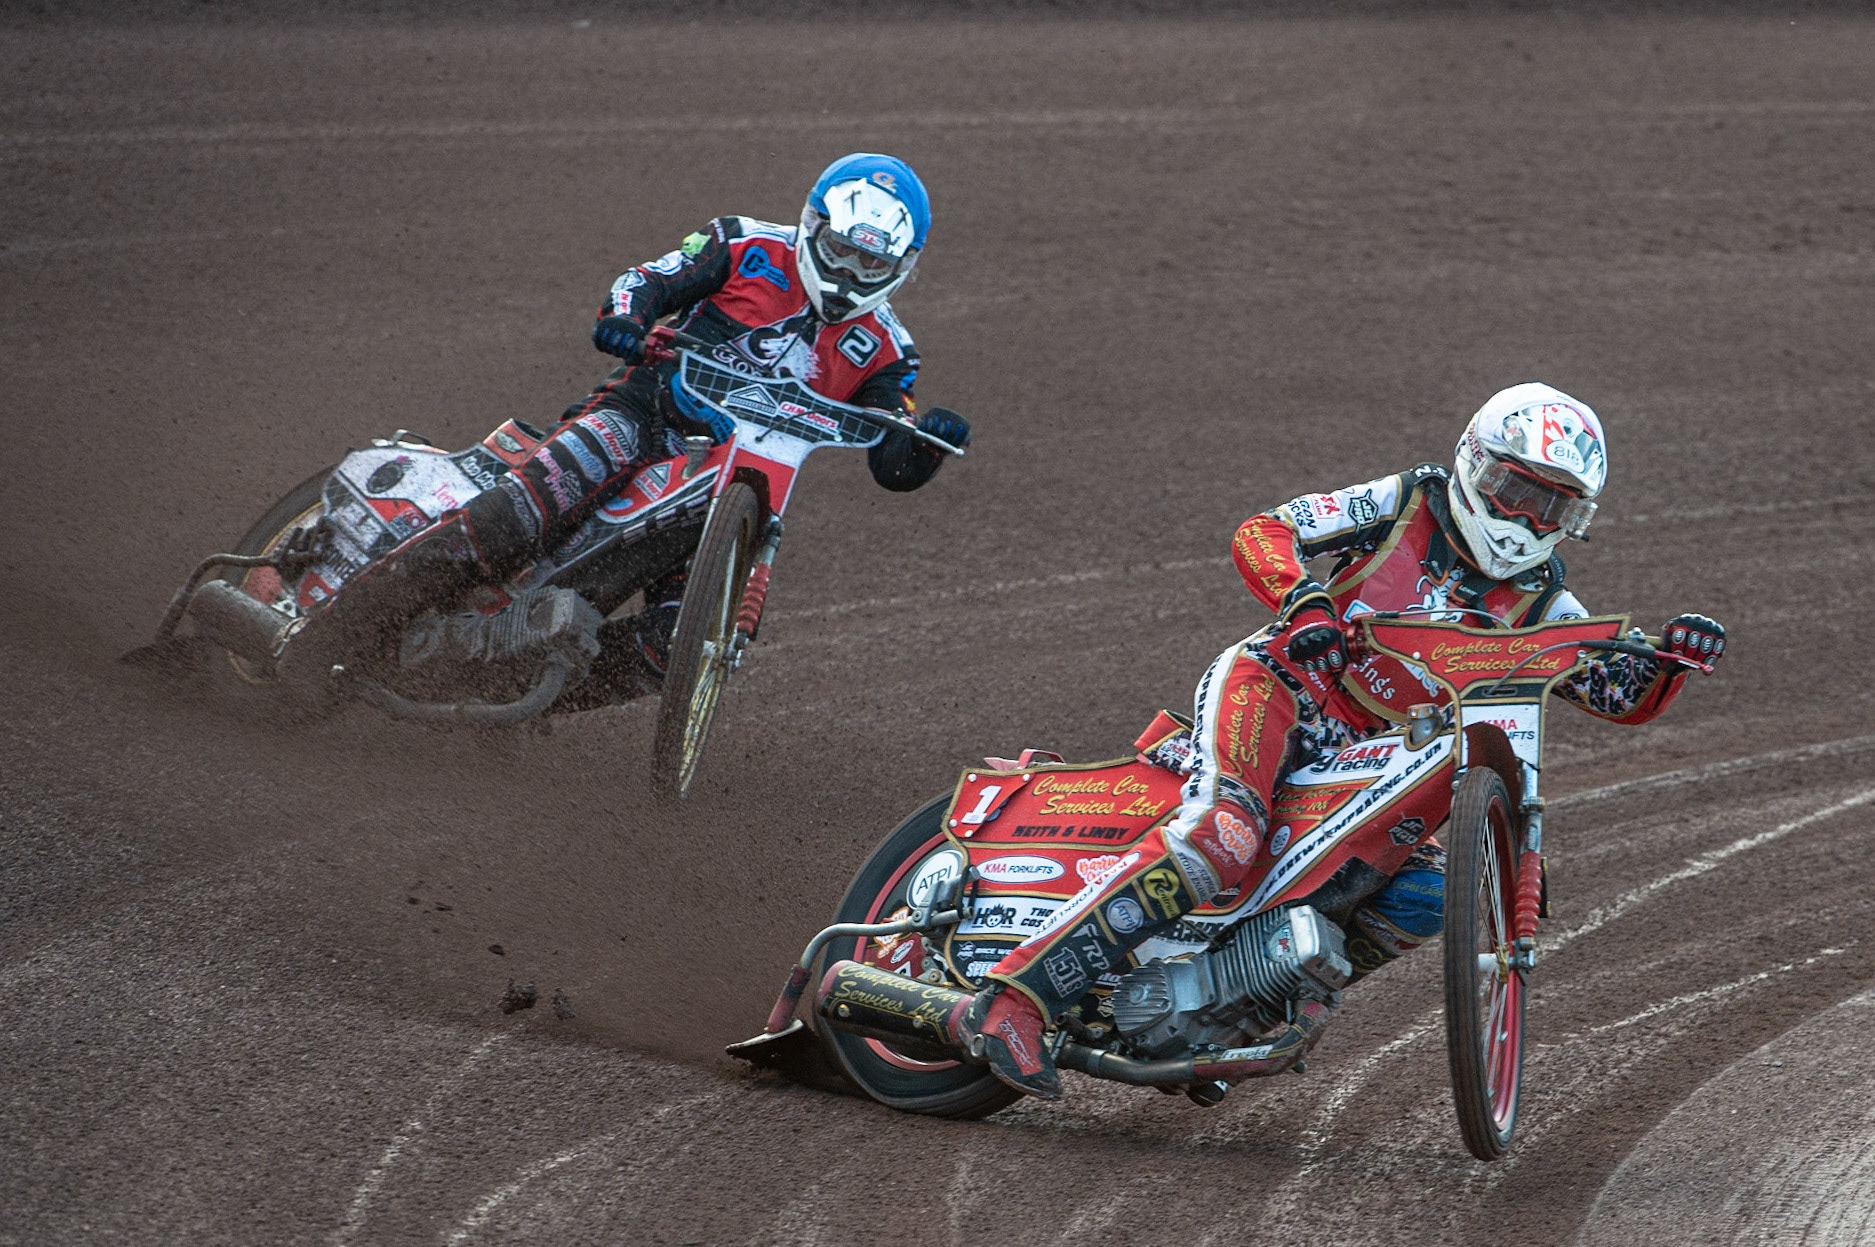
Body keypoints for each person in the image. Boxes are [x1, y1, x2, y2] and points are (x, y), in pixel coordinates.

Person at [956, 382, 1727, 1098]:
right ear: (1473, 464)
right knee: (1220, 835)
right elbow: (1266, 531)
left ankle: (1234, 1007)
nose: (1527, 520)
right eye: (1516, 492)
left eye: (1552, 509)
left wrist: (1671, 662)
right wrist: (1305, 603)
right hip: (1280, 691)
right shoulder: (1403, 500)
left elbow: (1615, 694)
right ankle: (1015, 999)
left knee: (1428, 893)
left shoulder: (1543, 600)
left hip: (1369, 758)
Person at [297, 152, 970, 677]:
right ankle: (327, 640)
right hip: (642, 415)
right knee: (515, 518)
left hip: (729, 488)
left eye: (870, 261)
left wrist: (927, 445)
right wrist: (625, 321)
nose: (850, 272)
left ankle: (513, 684)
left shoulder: (886, 350)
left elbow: (891, 455)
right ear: (813, 226)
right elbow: (643, 282)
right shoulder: (743, 246)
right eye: (841, 251)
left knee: (679, 644)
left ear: (901, 266)